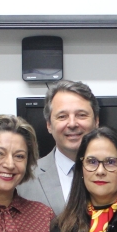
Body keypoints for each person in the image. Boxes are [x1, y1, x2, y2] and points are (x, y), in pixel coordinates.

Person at [17, 80, 100, 214]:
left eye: (81, 115)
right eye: (62, 116)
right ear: (49, 125)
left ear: (96, 121)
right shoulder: (25, 176)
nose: (72, 124)